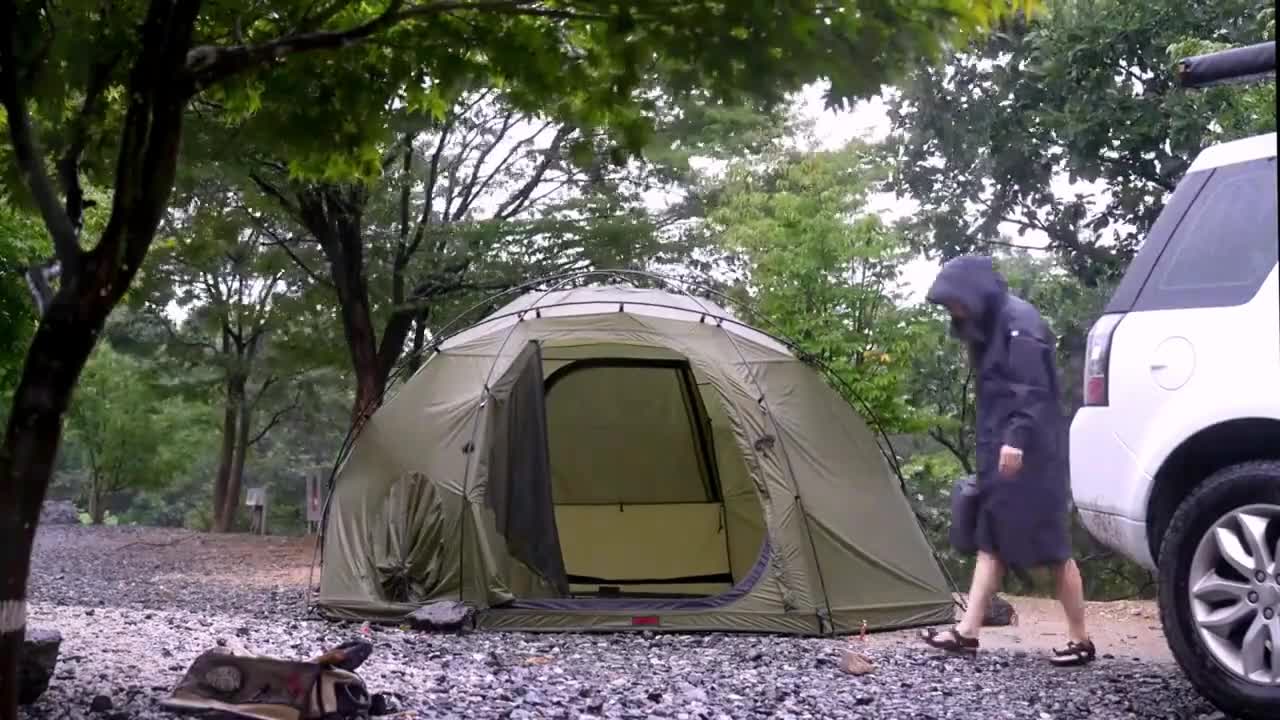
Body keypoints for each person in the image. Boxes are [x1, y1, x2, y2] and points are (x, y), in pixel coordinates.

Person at [919, 255, 1095, 666]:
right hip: (999, 453)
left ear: (973, 294)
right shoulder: (989, 327)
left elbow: (1031, 391)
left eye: (955, 303)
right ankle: (968, 633)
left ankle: (1081, 639)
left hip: (1032, 454)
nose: (954, 312)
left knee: (1053, 547)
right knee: (990, 538)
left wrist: (1015, 440)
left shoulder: (1021, 324)